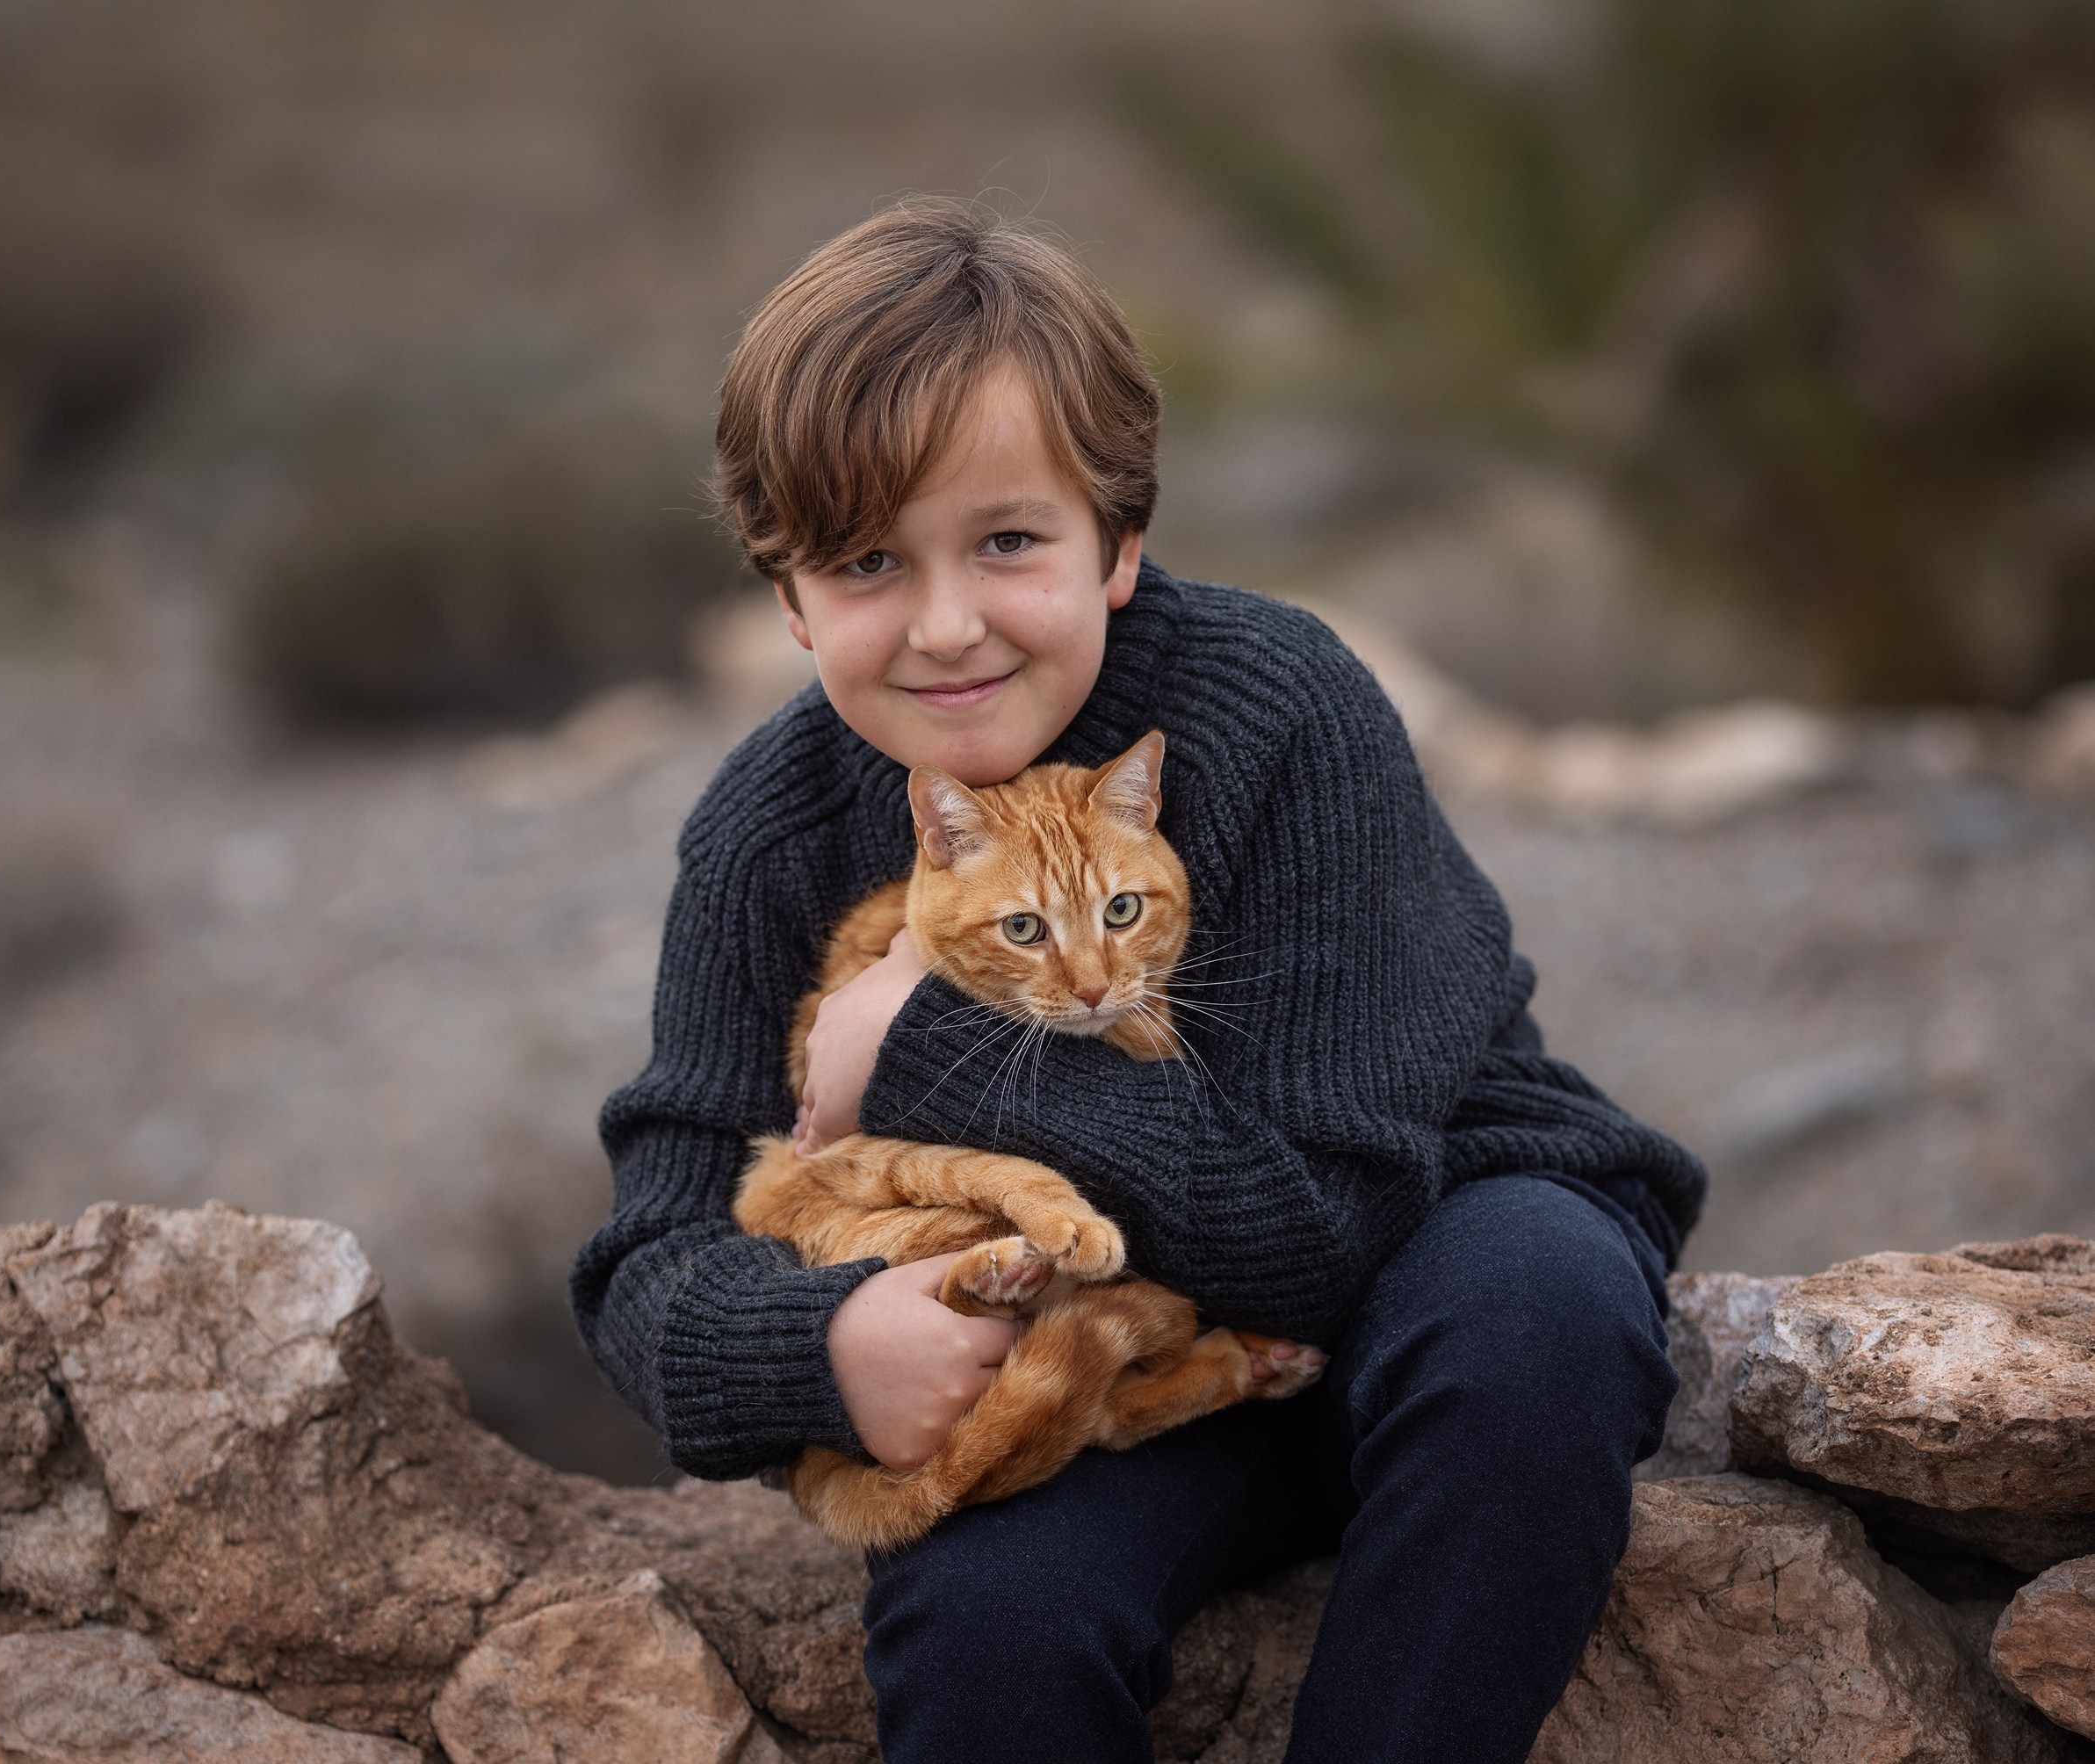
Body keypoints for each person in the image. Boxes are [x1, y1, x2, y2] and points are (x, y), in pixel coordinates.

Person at [571, 200, 1704, 1763]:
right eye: (866, 563)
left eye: (1009, 541)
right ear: (786, 599)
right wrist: (820, 1350)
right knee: (989, 1627)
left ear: (1121, 541)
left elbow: (1322, 1233)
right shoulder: (768, 834)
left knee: (1540, 1315)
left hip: (1416, 1252)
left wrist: (918, 1046)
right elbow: (648, 1262)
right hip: (1127, 1370)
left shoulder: (1281, 709)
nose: (948, 622)